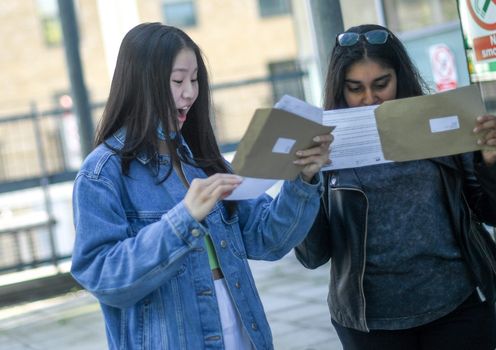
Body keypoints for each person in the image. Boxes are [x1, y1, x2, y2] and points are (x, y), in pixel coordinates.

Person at [70, 22, 333, 350]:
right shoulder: (102, 174)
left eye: (195, 80)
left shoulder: (203, 161)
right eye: (178, 80)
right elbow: (103, 277)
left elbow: (269, 239)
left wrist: (303, 179)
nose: (190, 92)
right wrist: (182, 220)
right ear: (141, 84)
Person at [295, 23, 496, 350]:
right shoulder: (321, 145)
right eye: (355, 87)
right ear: (339, 88)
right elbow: (313, 255)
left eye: (381, 84)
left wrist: (493, 161)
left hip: (459, 306)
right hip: (371, 323)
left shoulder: (442, 123)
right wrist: (303, 183)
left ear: (401, 76)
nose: (369, 98)